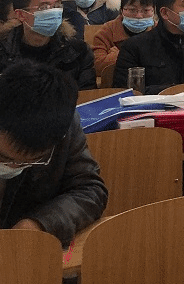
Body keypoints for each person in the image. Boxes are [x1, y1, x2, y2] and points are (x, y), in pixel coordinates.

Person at [0, 61, 108, 248]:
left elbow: (90, 191)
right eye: (4, 158)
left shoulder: (63, 125)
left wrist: (40, 223)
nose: (13, 167)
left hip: (25, 250)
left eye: (31, 162)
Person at [1, 0, 95, 90]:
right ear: (21, 15)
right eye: (44, 8)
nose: (53, 12)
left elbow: (87, 93)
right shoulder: (3, 51)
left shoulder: (77, 50)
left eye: (56, 6)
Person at [92, 0, 157, 73]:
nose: (139, 16)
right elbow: (97, 67)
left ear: (154, 11)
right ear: (121, 10)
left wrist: (120, 55)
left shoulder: (160, 30)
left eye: (146, 10)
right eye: (132, 10)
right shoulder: (106, 31)